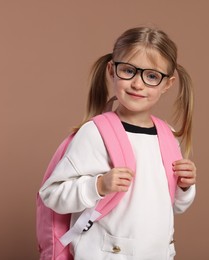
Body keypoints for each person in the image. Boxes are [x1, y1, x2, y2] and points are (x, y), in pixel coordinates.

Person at [39, 26, 197, 260]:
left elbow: (174, 207)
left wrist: (185, 186)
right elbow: (52, 195)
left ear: (167, 84)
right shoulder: (95, 133)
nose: (138, 84)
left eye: (152, 76)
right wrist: (99, 185)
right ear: (112, 70)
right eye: (129, 71)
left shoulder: (168, 136)